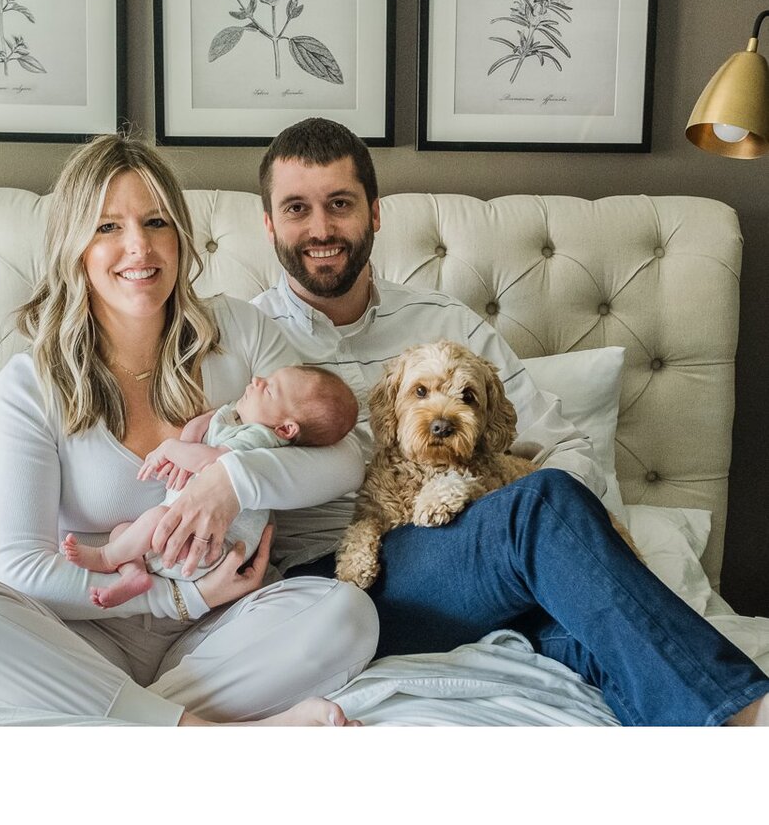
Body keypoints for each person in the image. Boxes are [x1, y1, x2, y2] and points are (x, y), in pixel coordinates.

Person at [253, 116, 769, 726]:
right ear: (268, 223)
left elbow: (566, 449)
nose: (321, 229)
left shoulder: (449, 322)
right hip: (334, 587)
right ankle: (749, 714)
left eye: (340, 204)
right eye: (296, 209)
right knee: (543, 508)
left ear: (375, 212)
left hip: (474, 555)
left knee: (592, 629)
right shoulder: (246, 337)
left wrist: (517, 523)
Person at [0, 132, 378, 726]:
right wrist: (179, 595)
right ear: (75, 247)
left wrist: (229, 481)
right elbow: (21, 567)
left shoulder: (240, 334)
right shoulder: (33, 384)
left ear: (180, 237)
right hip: (81, 636)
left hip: (222, 635)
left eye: (155, 222)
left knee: (350, 615)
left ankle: (113, 724)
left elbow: (345, 460)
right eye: (106, 228)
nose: (138, 247)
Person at [62, 364, 358, 608]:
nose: (256, 380)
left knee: (149, 522)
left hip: (207, 547)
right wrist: (191, 435)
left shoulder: (259, 439)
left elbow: (213, 461)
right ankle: (134, 575)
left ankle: (106, 557)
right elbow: (211, 422)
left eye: (268, 387)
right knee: (123, 530)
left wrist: (170, 448)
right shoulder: (244, 419)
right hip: (186, 541)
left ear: (285, 429)